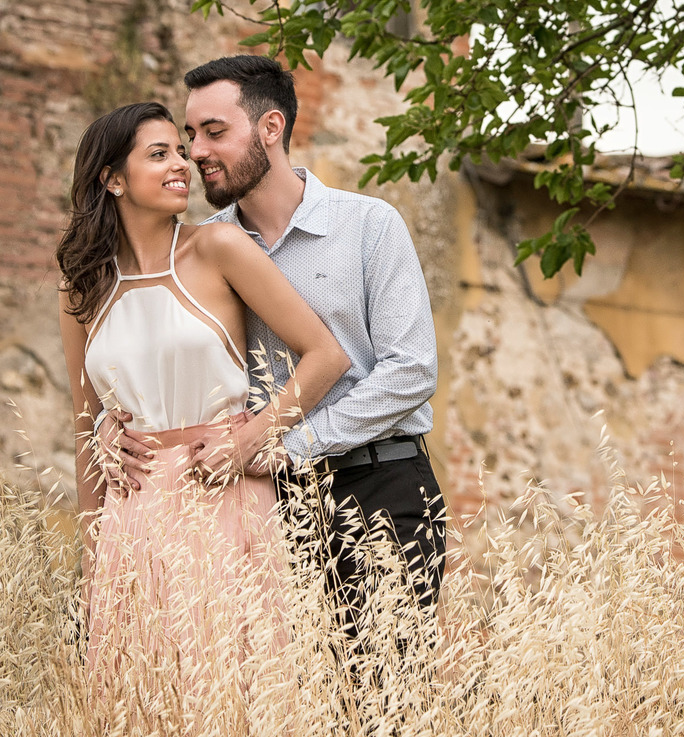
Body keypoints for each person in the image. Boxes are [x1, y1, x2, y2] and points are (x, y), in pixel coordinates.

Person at [105, 55, 447, 644]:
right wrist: (117, 427)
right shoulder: (210, 250)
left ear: (270, 129)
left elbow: (410, 372)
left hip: (381, 487)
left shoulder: (368, 225)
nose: (197, 152)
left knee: (383, 702)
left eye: (215, 132)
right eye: (191, 135)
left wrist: (286, 444)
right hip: (262, 505)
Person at [56, 102, 350, 704]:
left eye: (179, 151)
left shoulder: (219, 249)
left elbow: (326, 355)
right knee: (142, 701)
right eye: (158, 153)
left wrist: (254, 436)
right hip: (130, 516)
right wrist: (92, 564)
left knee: (232, 693)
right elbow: (84, 424)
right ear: (112, 178)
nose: (181, 164)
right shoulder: (82, 283)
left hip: (224, 498)